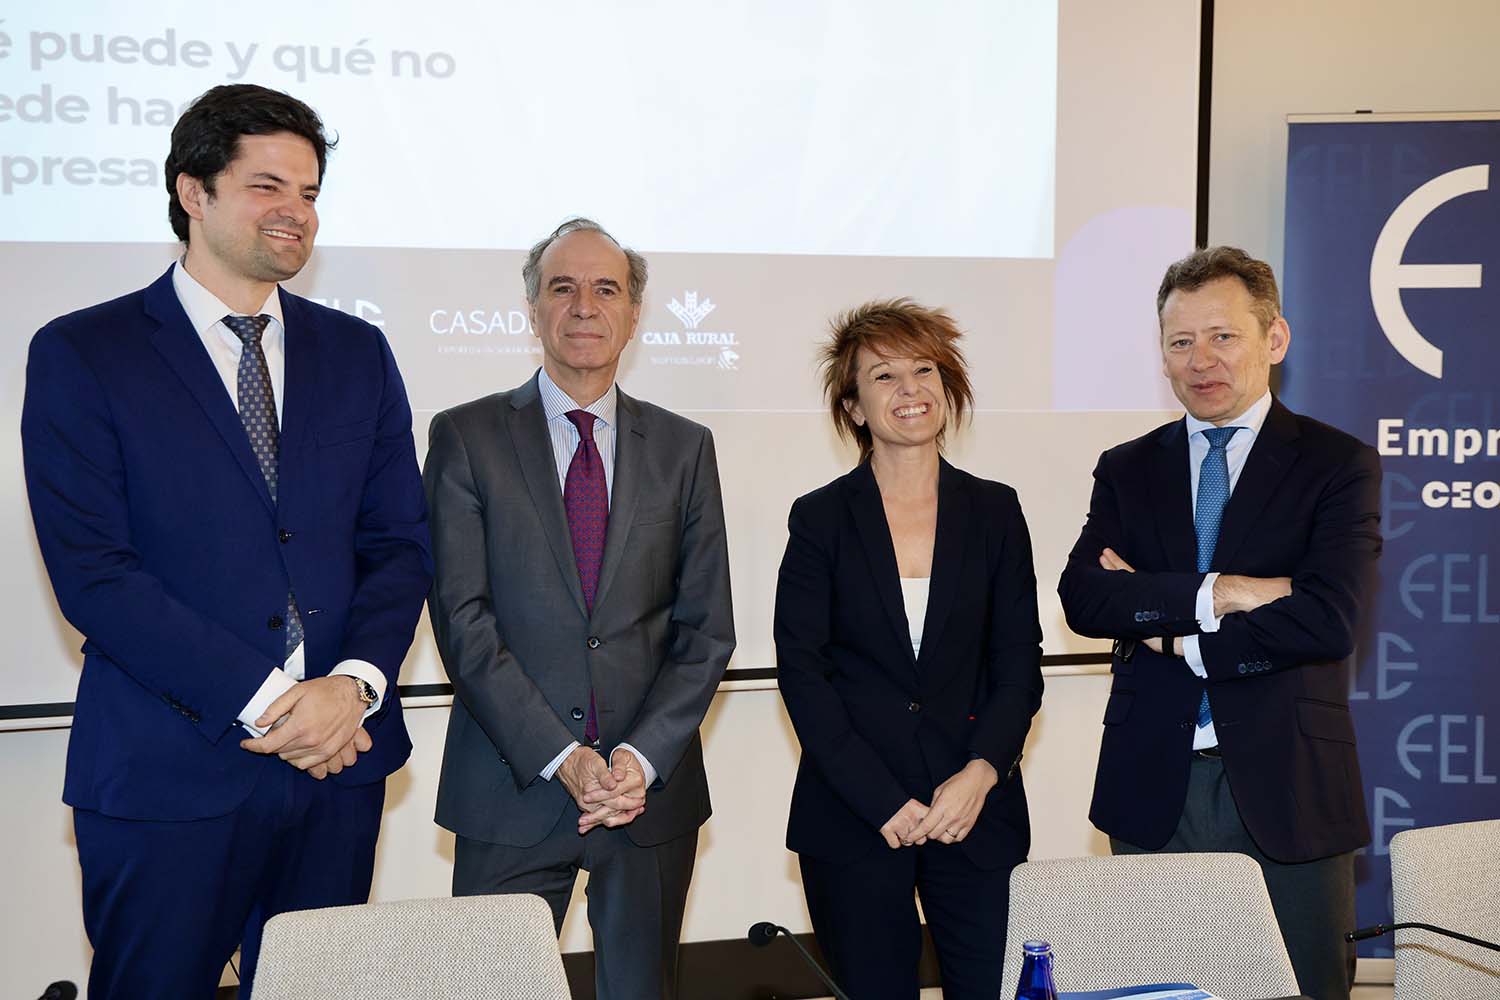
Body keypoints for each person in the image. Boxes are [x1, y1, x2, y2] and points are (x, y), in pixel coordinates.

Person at [20, 84, 432, 998]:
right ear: (192, 192)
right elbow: (96, 576)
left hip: (340, 764)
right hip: (169, 776)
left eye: (312, 192)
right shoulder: (85, 352)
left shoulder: (357, 354)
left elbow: (398, 544)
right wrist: (278, 704)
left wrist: (355, 687)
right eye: (268, 185)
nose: (297, 212)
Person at [1057, 246, 1382, 1000]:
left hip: (1288, 785)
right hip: (1152, 782)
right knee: (1158, 991)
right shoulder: (1127, 467)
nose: (1201, 360)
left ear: (1275, 339)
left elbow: (1328, 620)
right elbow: (1086, 598)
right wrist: (1226, 592)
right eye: (1180, 342)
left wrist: (1168, 628)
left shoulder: (1338, 464)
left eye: (1222, 336)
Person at [424, 217, 736, 1000]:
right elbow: (463, 621)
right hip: (511, 787)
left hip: (648, 800)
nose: (584, 306)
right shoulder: (466, 437)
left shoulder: (683, 447)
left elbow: (705, 630)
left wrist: (635, 759)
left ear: (634, 313)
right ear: (531, 308)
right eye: (562, 287)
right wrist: (564, 758)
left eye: (607, 289)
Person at [774, 299, 1044, 999]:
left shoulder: (996, 511)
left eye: (924, 370)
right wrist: (883, 799)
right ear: (855, 406)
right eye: (885, 376)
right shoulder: (820, 518)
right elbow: (804, 675)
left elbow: (1019, 664)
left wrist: (982, 772)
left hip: (976, 815)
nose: (910, 390)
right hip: (855, 818)